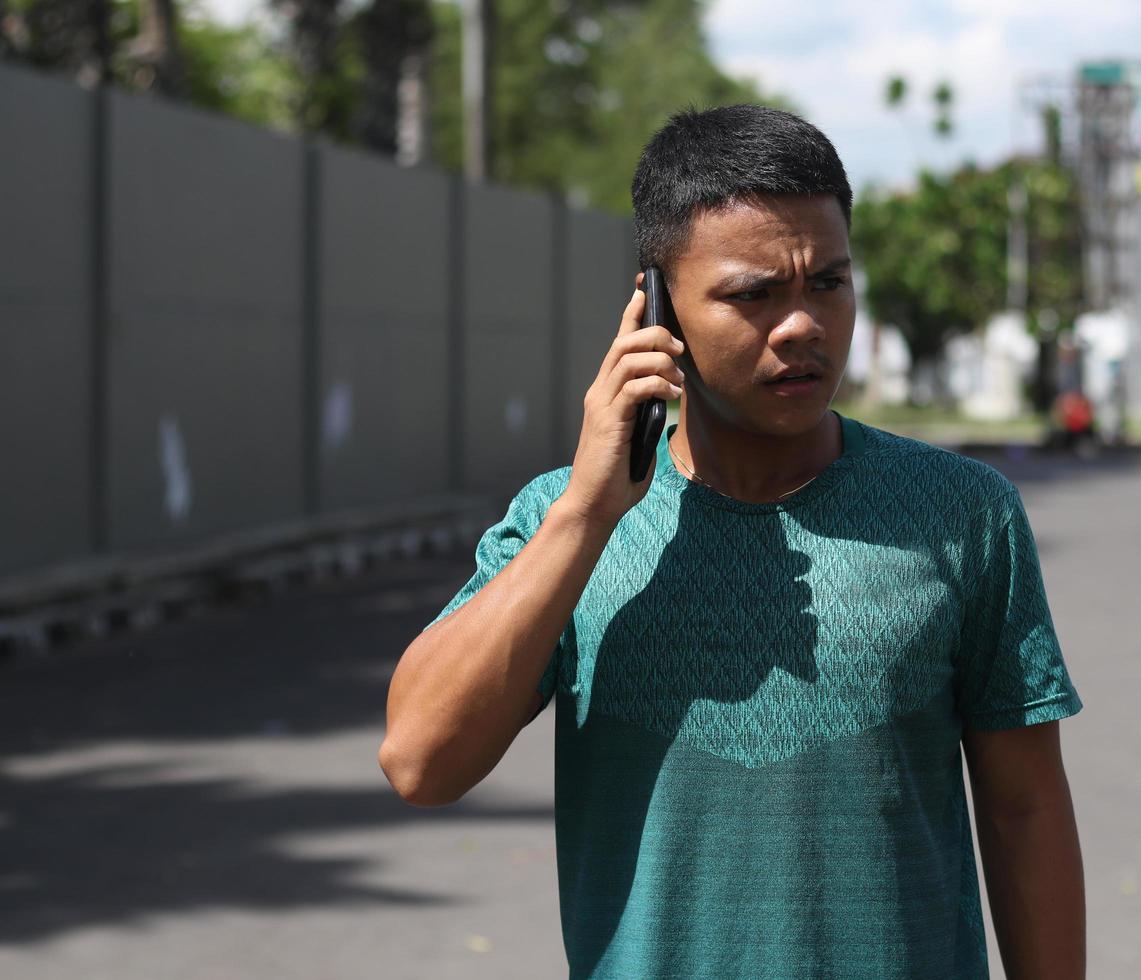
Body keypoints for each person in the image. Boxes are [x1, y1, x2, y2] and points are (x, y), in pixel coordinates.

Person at [378, 104, 1085, 979]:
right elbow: (420, 761)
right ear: (658, 306)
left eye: (828, 282)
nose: (803, 325)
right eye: (754, 294)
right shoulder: (563, 522)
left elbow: (1025, 812)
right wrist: (589, 514)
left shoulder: (964, 513)